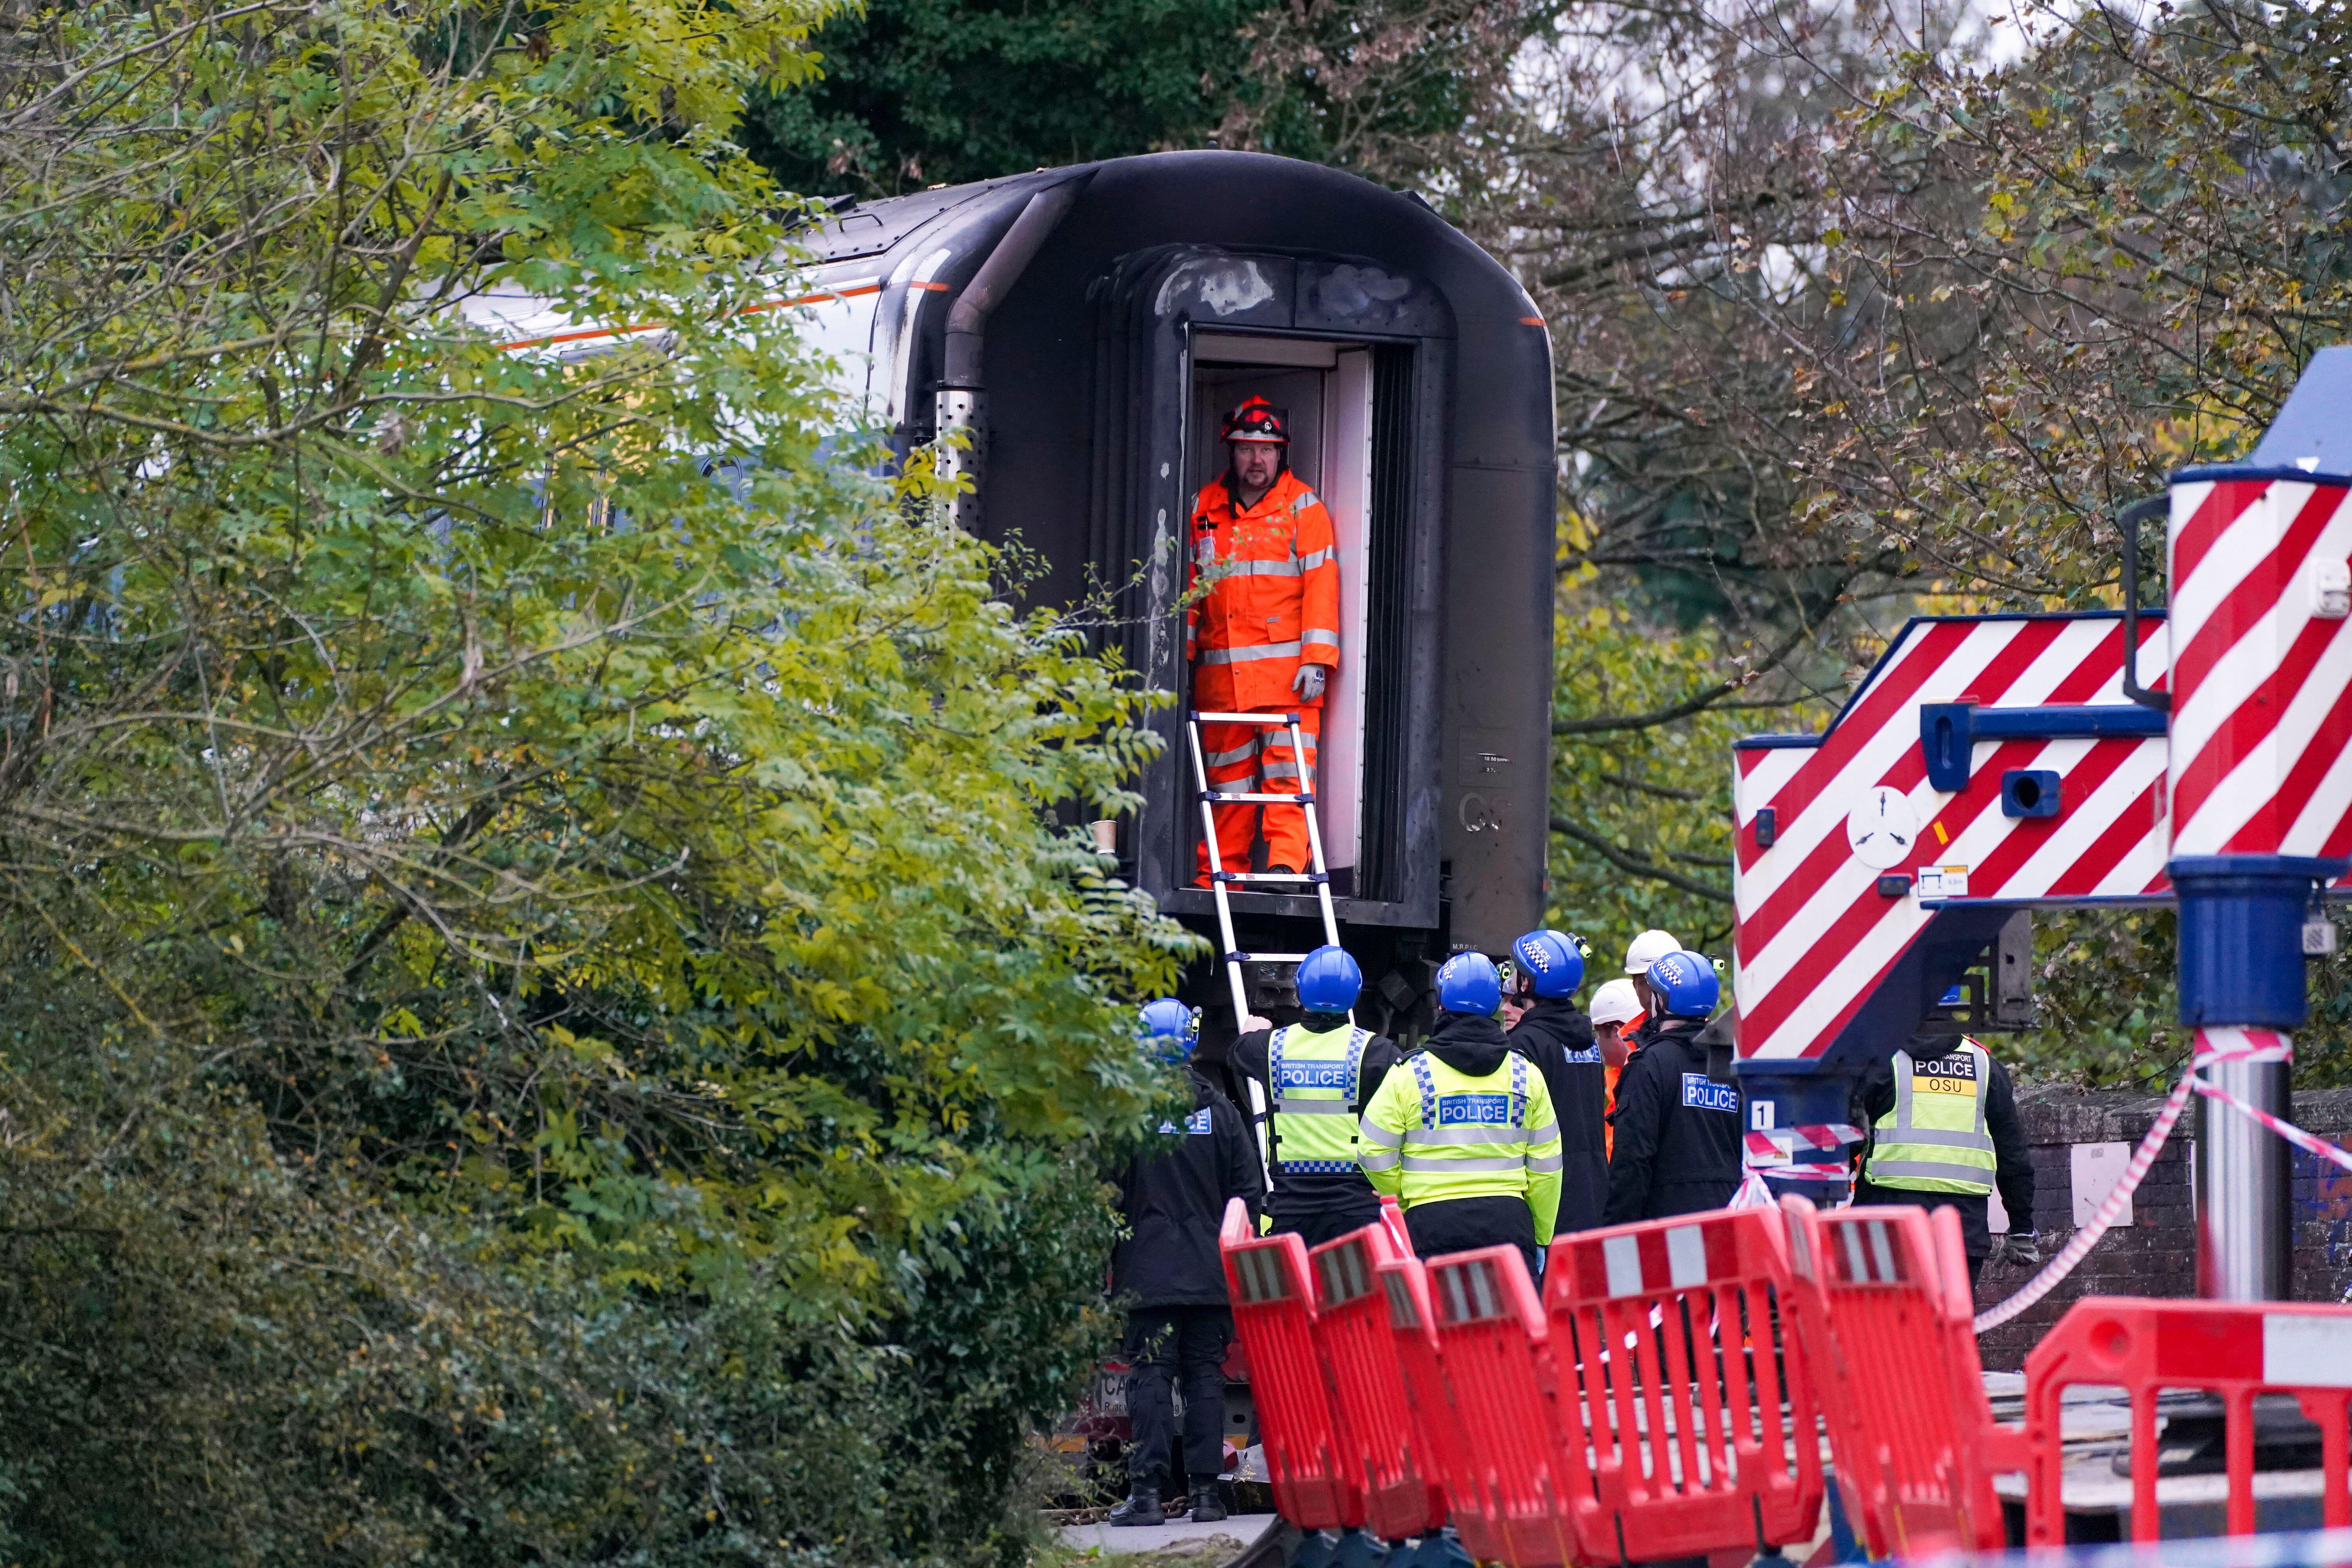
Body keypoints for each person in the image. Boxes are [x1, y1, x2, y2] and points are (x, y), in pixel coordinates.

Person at [1110, 999, 1267, 1527]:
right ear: (1192, 1043)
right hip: (1209, 1274)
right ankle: (1205, 1495)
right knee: (1205, 1377)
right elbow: (1249, 1192)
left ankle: (1148, 1496)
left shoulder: (1127, 1116)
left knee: (1150, 1378)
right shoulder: (1221, 1112)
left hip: (1146, 1274)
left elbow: (1104, 1194)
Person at [1187, 397, 1340, 884]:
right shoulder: (1203, 509)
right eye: (1248, 449)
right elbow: (1192, 592)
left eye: (1268, 450)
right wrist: (1178, 661)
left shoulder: (1303, 509)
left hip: (1286, 684)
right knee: (1226, 788)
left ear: (1282, 454)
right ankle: (1218, 872)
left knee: (1288, 782)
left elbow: (1322, 584)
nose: (1258, 460)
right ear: (1231, 452)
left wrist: (1318, 660)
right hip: (1221, 685)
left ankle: (1283, 869)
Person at [1357, 953, 1562, 1276]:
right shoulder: (1526, 1074)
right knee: (1510, 1325)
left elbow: (1373, 1152)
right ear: (1496, 1007)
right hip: (1507, 1223)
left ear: (1441, 1006)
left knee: (1438, 1325)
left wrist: (1405, 1198)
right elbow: (1547, 1168)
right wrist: (1540, 1234)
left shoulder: (1410, 1074)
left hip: (1431, 1223)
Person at [1232, 945, 1403, 1247]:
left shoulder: (1269, 1048)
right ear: (1356, 994)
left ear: (1299, 992)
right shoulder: (1378, 1052)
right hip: (1357, 1211)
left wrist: (1253, 1032)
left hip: (1292, 1210)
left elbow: (1237, 1054)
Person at [1851, 1027, 2036, 1285]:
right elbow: (2013, 1154)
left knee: (1883, 1321)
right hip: (1962, 1228)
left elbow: (1845, 1138)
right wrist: (2021, 1227)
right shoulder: (1984, 1066)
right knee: (1953, 1321)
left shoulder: (1880, 1062)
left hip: (1884, 1222)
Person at [1604, 951, 1742, 1223]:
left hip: (1668, 1225)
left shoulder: (1649, 1065)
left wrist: (1615, 1227)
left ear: (1661, 1001)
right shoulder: (1735, 1065)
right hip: (1730, 1220)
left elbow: (1633, 1159)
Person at [1502, 929, 1608, 1237]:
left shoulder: (1524, 1044)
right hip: (1592, 1195)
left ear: (1526, 983)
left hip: (1548, 1204)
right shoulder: (1589, 1043)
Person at [1586, 977, 1644, 1159]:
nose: (1597, 1042)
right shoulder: (1623, 1079)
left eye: (1599, 1033)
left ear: (1616, 1031)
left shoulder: (1637, 1083)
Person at [1621, 928, 1682, 1049]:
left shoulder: (1705, 1034)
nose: (1654, 992)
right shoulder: (1630, 1038)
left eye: (1661, 982)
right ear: (1635, 987)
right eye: (1645, 982)